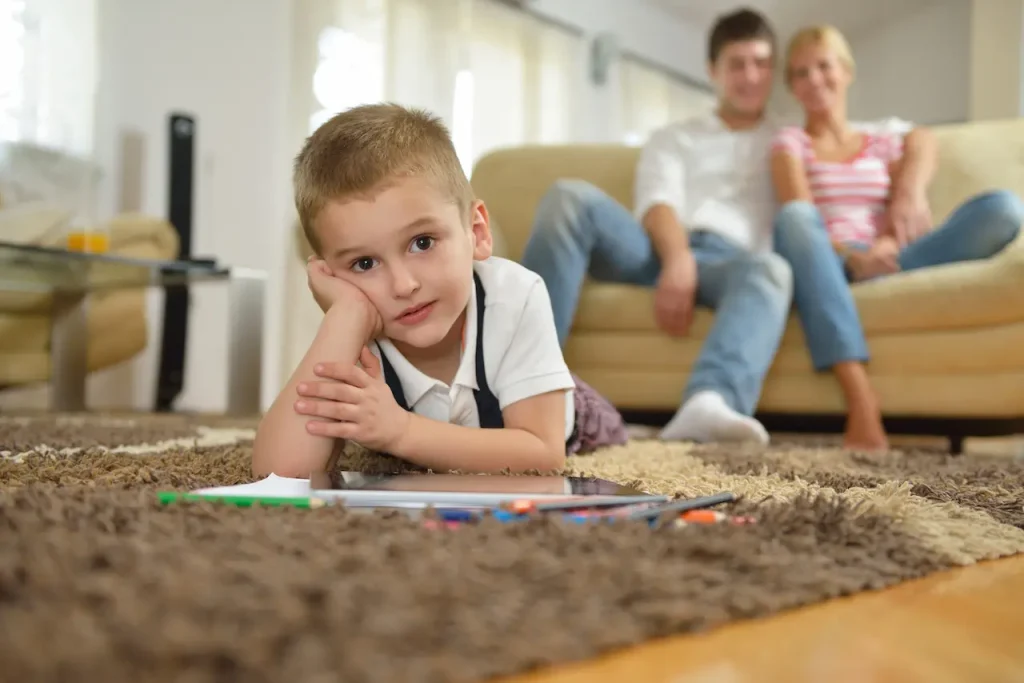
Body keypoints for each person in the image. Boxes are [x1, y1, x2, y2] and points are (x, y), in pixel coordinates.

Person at [520, 8, 921, 445]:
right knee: (569, 197)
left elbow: (909, 135)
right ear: (713, 71)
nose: (750, 76)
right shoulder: (676, 136)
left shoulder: (792, 139)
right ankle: (528, 385)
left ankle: (710, 405)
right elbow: (657, 203)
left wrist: (907, 194)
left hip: (736, 267)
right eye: (736, 64)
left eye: (761, 63)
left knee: (772, 271)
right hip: (652, 251)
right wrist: (678, 259)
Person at [252, 104, 627, 478]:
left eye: (422, 242)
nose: (404, 285)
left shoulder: (515, 296)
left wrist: (400, 431)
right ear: (331, 275)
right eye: (364, 264)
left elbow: (543, 454)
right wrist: (346, 317)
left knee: (611, 433)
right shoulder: (356, 324)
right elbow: (281, 475)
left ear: (476, 233)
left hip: (566, 414)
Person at [770, 25, 1023, 450]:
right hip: (828, 264)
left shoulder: (880, 140)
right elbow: (802, 214)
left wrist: (902, 210)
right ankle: (863, 399)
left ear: (846, 71)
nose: (814, 80)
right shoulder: (790, 142)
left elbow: (923, 140)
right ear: (792, 87)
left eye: (823, 66)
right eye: (800, 73)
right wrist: (853, 258)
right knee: (794, 218)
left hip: (891, 260)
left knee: (1003, 209)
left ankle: (877, 273)